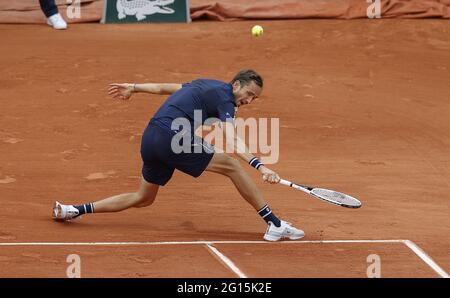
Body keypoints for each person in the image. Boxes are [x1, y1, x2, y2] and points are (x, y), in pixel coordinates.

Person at [52, 69, 304, 241]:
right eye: (249, 94)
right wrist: (261, 167)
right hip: (172, 137)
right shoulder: (226, 100)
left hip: (151, 138)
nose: (249, 100)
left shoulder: (206, 84)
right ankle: (274, 224)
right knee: (232, 165)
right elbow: (234, 142)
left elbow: (165, 88)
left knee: (143, 198)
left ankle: (74, 209)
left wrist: (134, 87)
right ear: (236, 85)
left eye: (254, 98)